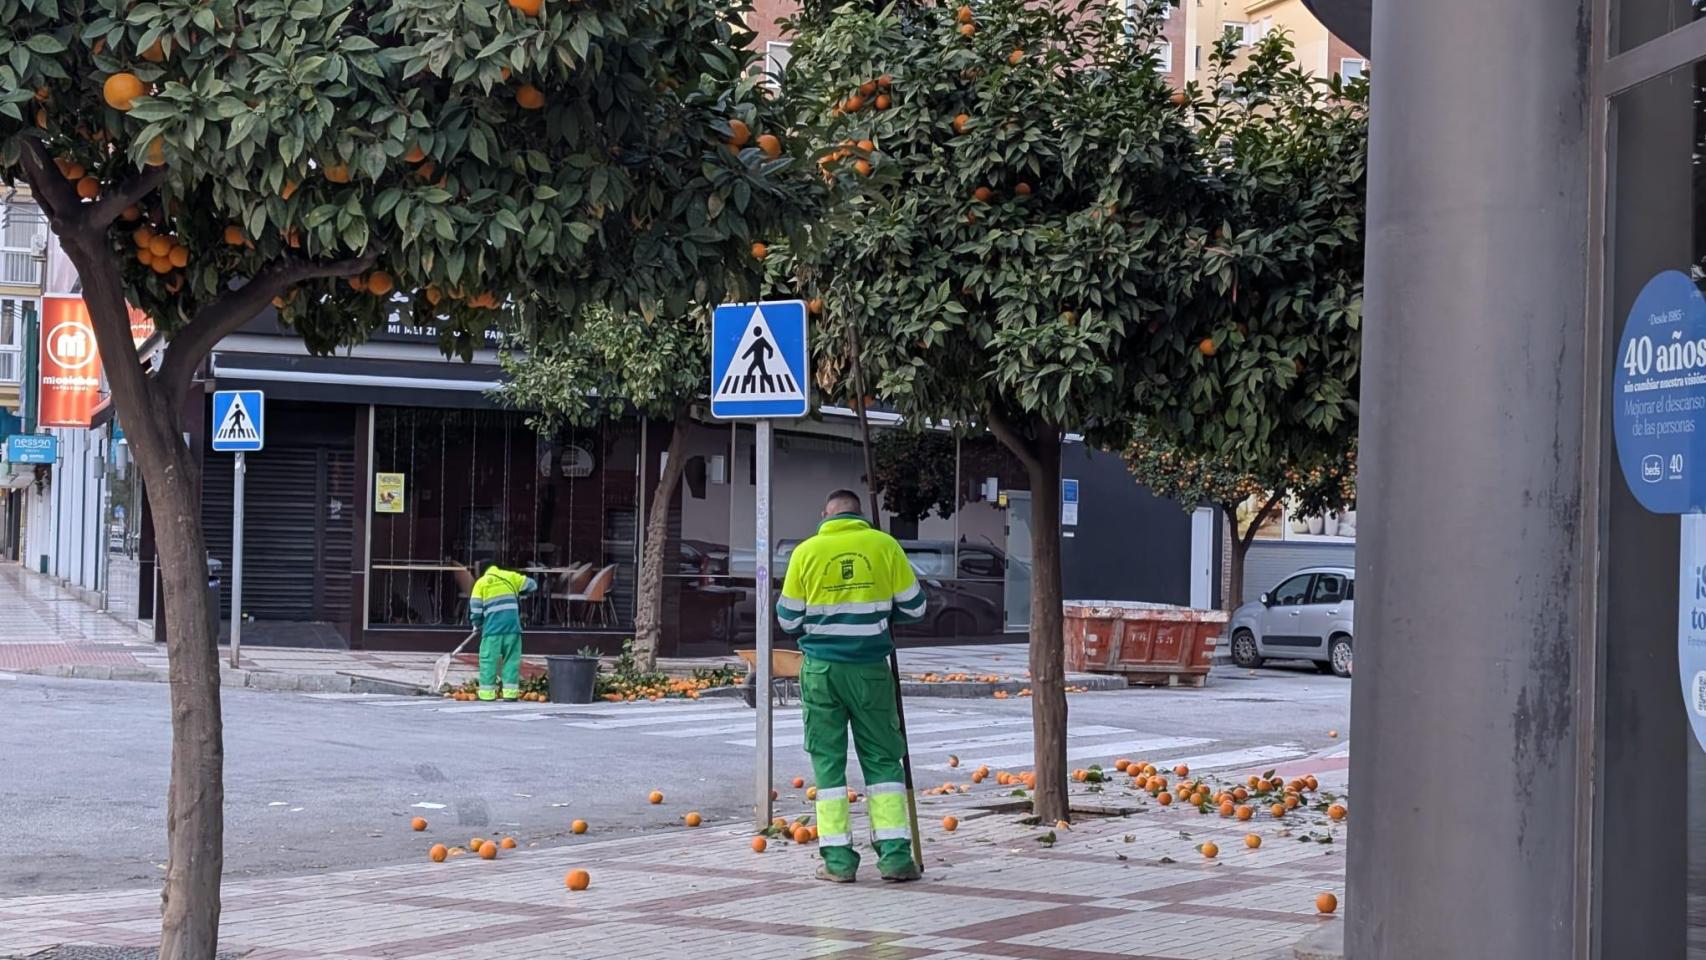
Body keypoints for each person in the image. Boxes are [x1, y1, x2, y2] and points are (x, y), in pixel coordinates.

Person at [775, 489, 928, 883]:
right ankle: (895, 858)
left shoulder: (806, 552)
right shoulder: (884, 545)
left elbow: (789, 620)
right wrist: (882, 608)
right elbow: (916, 607)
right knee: (882, 760)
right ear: (859, 514)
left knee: (828, 763)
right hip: (870, 670)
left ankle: (839, 862)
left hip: (822, 671)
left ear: (826, 514)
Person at [468, 561, 538, 701]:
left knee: (488, 660)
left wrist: (477, 623)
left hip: (492, 630)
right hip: (513, 628)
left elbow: (475, 609)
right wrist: (520, 590)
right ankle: (510, 694)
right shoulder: (510, 576)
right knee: (511, 659)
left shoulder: (481, 583)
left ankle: (487, 694)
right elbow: (532, 585)